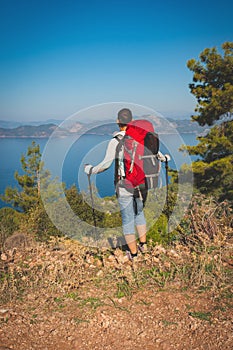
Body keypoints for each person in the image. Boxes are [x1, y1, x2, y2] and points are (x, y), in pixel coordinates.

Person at [84, 108, 169, 261]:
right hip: (142, 183)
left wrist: (91, 170)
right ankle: (144, 245)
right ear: (131, 120)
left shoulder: (115, 141)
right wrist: (165, 159)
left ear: (118, 121)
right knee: (139, 213)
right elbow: (157, 154)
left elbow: (106, 165)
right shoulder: (142, 136)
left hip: (124, 185)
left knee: (128, 218)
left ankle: (134, 255)